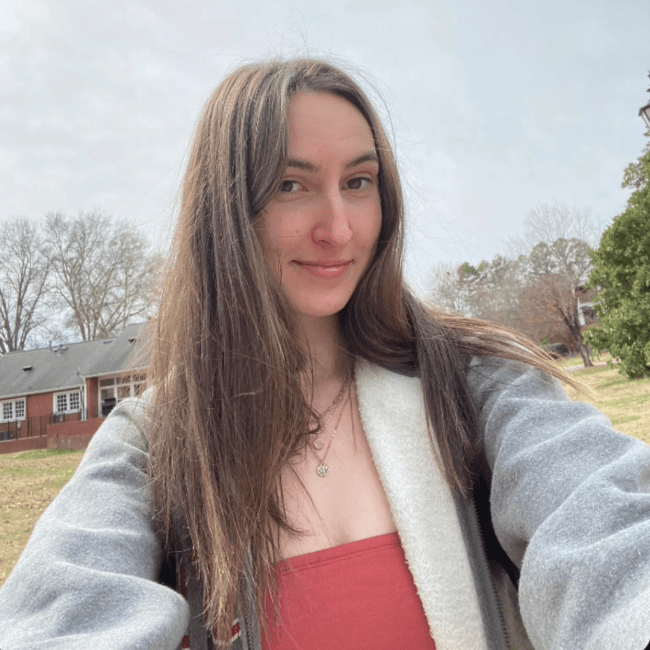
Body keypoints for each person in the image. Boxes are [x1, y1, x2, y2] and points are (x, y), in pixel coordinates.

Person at [1, 58, 650, 650]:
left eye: (360, 181)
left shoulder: (476, 388)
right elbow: (64, 615)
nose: (338, 228)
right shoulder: (153, 442)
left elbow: (609, 535)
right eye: (291, 184)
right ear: (227, 211)